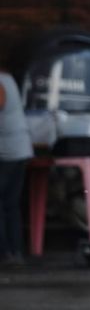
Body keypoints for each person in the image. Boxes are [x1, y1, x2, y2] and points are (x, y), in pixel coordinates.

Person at [0, 69, 31, 265]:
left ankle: (6, 253)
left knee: (4, 204)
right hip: (20, 149)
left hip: (7, 153)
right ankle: (15, 253)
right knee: (10, 205)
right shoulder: (8, 77)